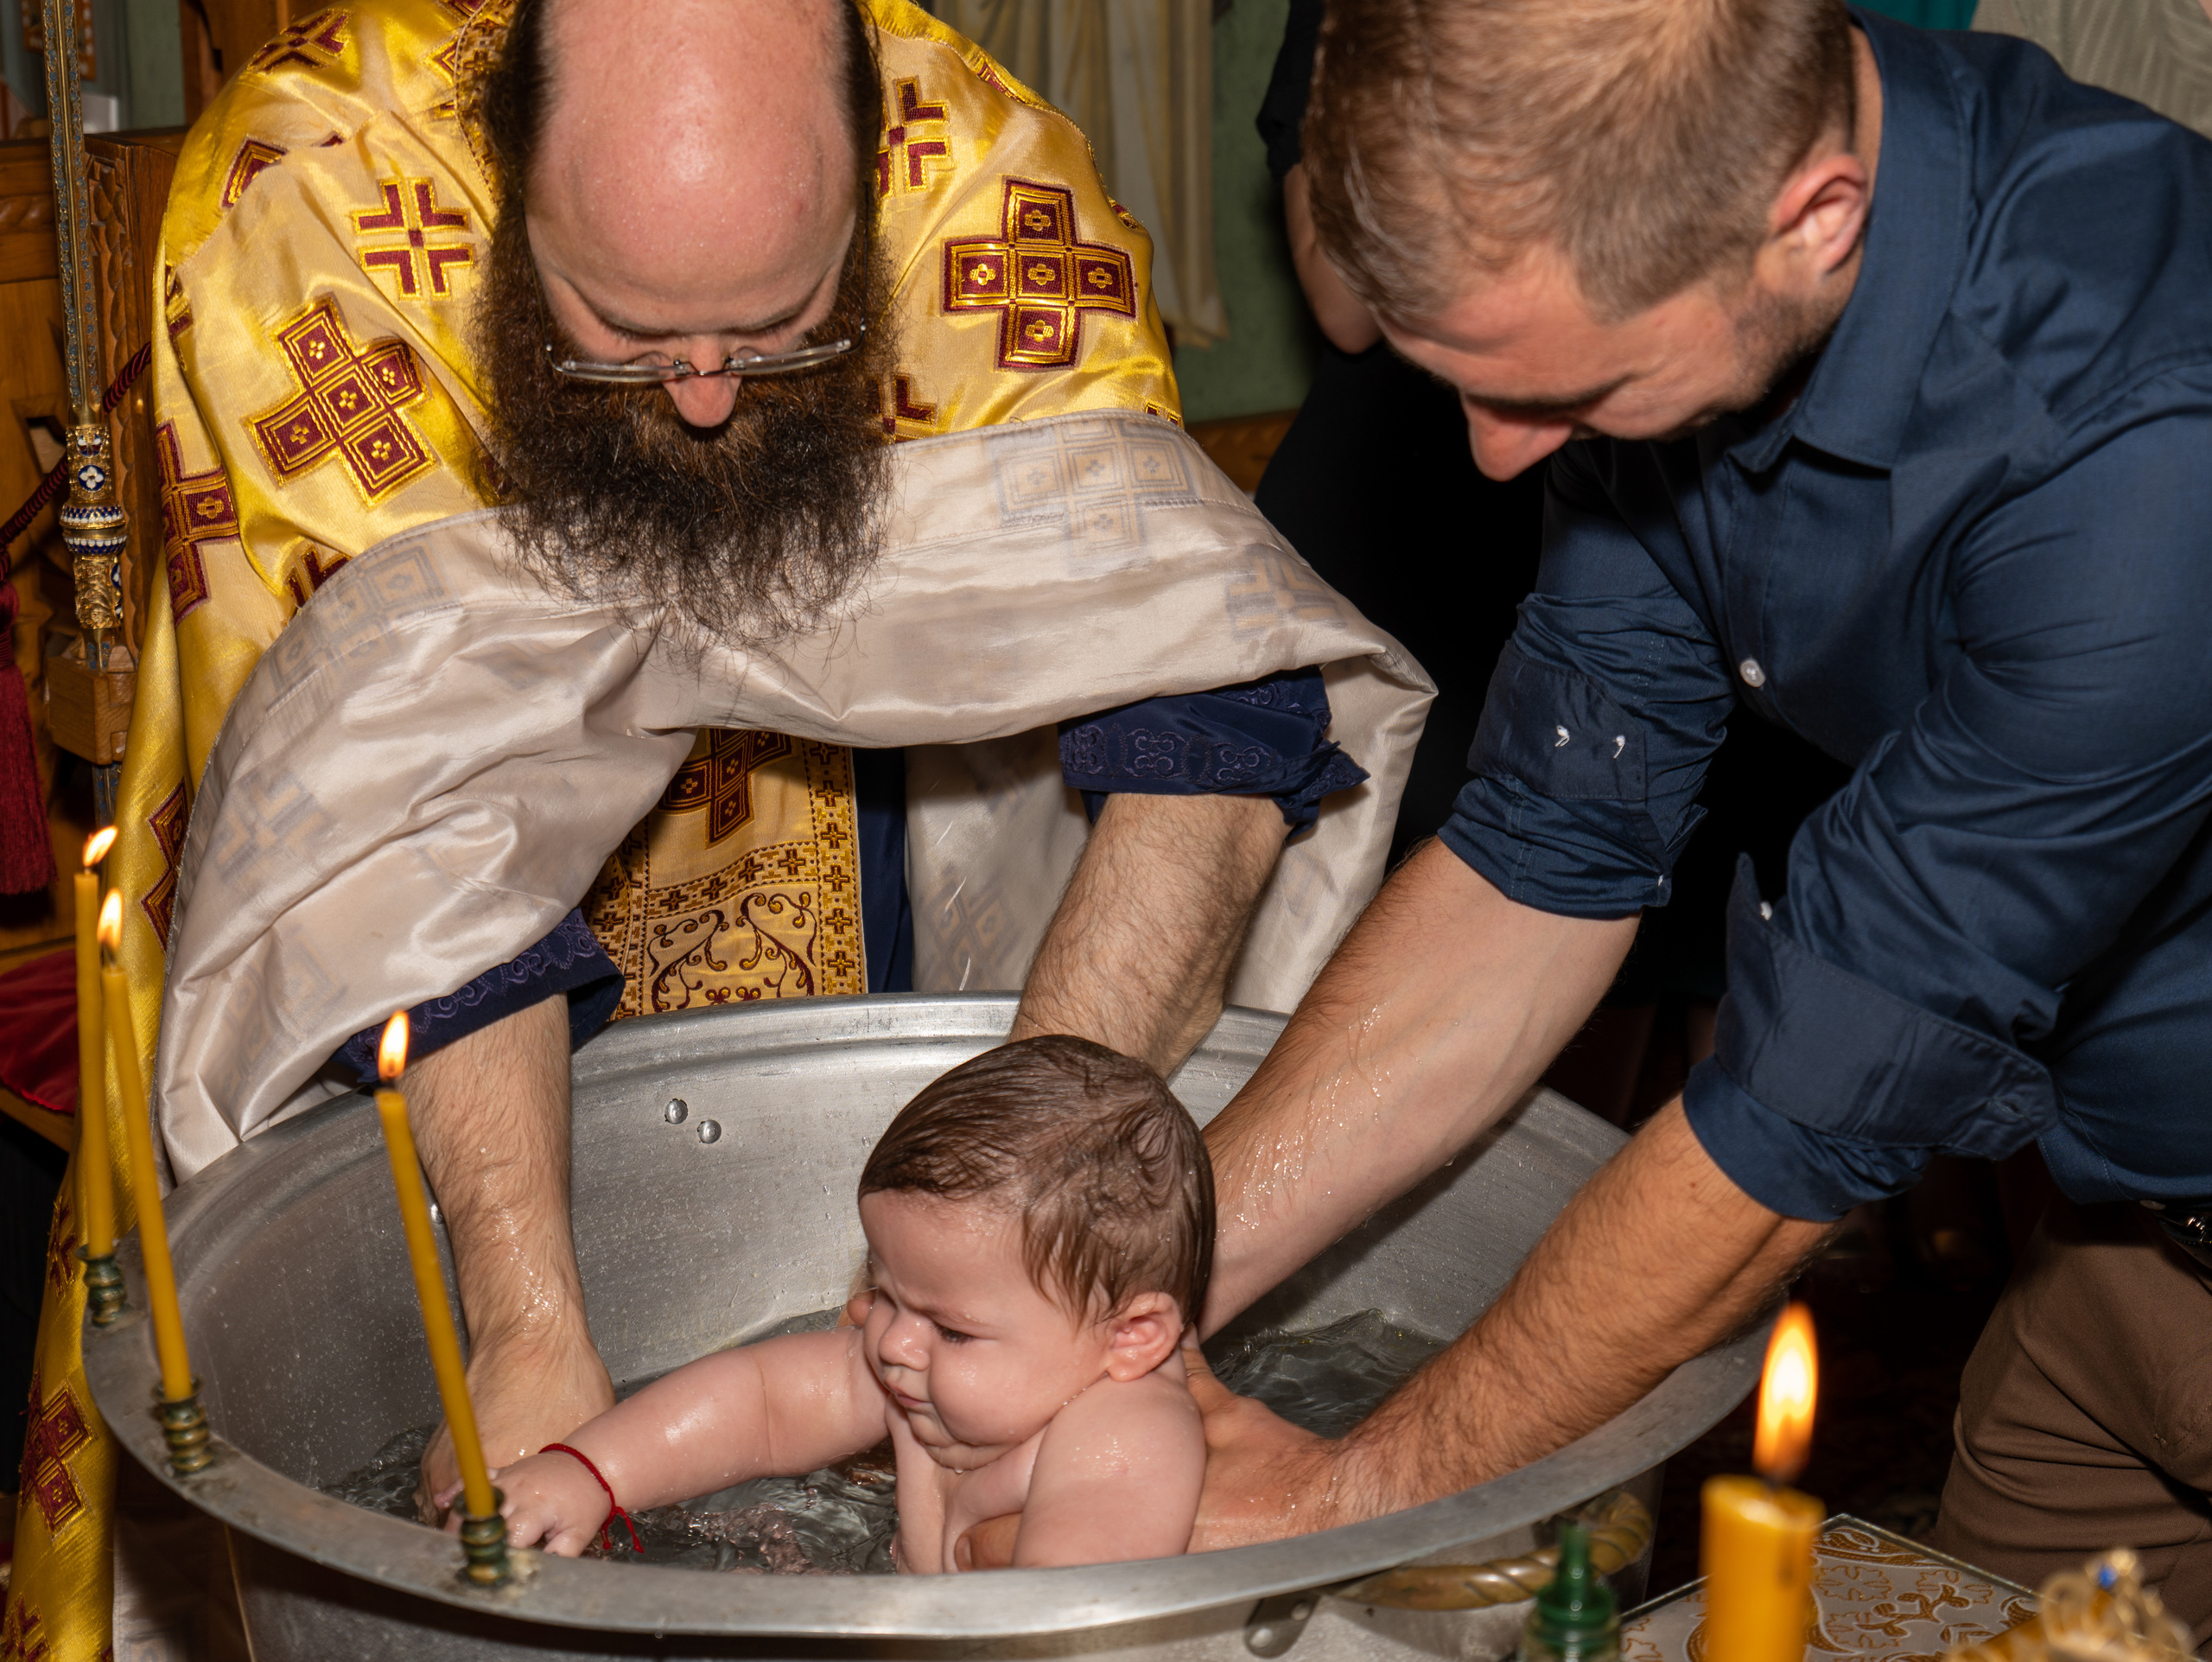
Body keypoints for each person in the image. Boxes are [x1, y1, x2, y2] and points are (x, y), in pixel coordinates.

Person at [104, 0, 1390, 1512]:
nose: (706, 394)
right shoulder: (314, 195)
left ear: (867, 186)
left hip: (889, 995)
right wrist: (526, 1325)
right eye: (625, 333)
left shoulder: (978, 166)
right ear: (508, 172)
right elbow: (394, 832)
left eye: (784, 324)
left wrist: (1026, 1231)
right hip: (451, 1083)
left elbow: (1213, 709)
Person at [1027, 0, 2206, 1627]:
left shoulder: (2148, 448)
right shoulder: (1681, 239)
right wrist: (1128, 1297)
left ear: (1815, 221)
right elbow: (1544, 855)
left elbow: (1795, 1119)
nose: (1500, 459)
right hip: (2114, 1257)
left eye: (1571, 393)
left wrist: (1344, 1492)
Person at [490, 1035, 1208, 1572]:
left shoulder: (1124, 1435)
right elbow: (760, 1403)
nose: (892, 1339)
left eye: (953, 1330)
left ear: (1132, 1336)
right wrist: (589, 1472)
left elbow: (1063, 1628)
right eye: (885, 1291)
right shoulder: (920, 1375)